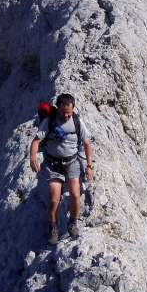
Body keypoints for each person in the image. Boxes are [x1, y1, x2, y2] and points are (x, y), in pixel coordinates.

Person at [29, 93, 94, 244]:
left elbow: (87, 143)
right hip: (53, 165)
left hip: (72, 163)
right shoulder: (50, 121)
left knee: (75, 195)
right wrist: (33, 157)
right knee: (54, 200)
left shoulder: (77, 121)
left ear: (73, 109)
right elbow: (36, 141)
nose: (66, 115)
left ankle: (72, 223)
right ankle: (53, 228)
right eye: (64, 112)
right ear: (58, 109)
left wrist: (89, 166)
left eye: (69, 113)